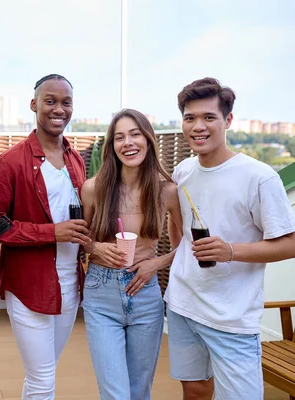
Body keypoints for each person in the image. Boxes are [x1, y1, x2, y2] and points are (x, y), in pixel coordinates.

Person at [165, 77, 295, 399]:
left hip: (231, 317)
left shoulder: (259, 177)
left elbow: (290, 242)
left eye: (209, 117)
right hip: (183, 306)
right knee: (194, 392)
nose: (198, 126)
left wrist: (230, 251)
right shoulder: (182, 171)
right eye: (190, 117)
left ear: (228, 120)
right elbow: (180, 234)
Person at [0, 74, 89, 399]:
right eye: (50, 101)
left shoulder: (75, 159)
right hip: (29, 286)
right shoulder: (10, 162)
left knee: (43, 373)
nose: (58, 109)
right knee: (42, 379)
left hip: (70, 285)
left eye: (65, 102)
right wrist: (52, 233)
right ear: (34, 105)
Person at [80, 109, 183, 400]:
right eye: (119, 137)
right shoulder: (92, 189)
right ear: (111, 146)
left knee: (139, 392)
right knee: (115, 393)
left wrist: (156, 263)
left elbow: (186, 244)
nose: (128, 143)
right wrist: (96, 247)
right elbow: (79, 238)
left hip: (145, 294)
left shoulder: (167, 191)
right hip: (101, 295)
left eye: (135, 134)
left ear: (148, 139)